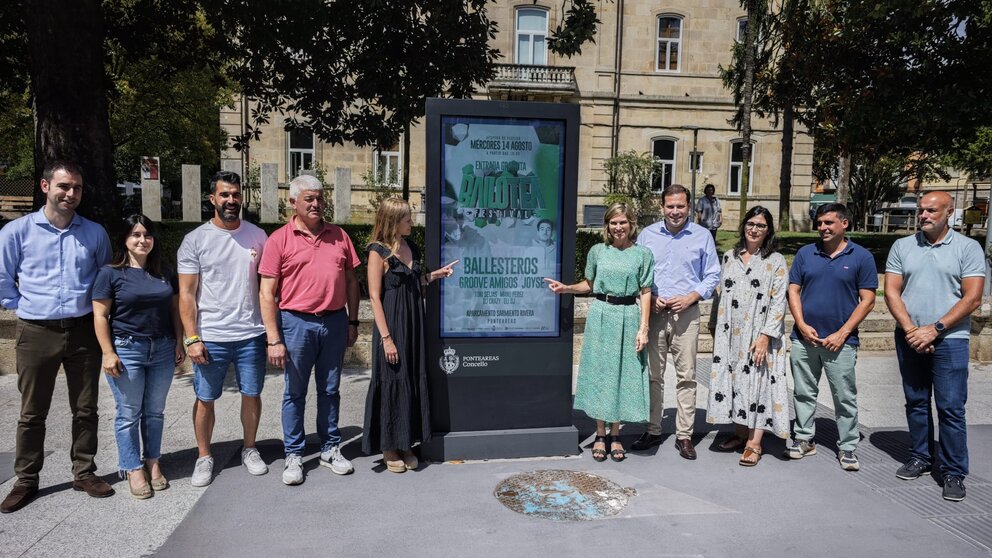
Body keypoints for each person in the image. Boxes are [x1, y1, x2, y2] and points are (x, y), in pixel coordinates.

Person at [0, 161, 113, 513]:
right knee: (32, 412)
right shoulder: (17, 232)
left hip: (82, 331)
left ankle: (84, 471)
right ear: (45, 186)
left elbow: (104, 280)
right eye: (64, 186)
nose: (71, 194)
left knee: (86, 407)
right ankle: (26, 479)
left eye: (77, 188)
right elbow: (3, 279)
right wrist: (27, 308)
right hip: (36, 331)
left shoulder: (94, 233)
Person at [259, 174, 361, 485]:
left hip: (333, 321)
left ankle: (330, 448)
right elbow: (267, 293)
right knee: (295, 392)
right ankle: (294, 453)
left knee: (330, 390)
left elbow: (352, 281)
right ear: (293, 203)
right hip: (296, 323)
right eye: (309, 199)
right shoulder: (279, 240)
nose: (316, 203)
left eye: (319, 198)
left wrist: (353, 320)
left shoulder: (340, 236)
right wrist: (274, 338)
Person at [885, 191, 984, 502]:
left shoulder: (968, 248)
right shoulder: (903, 246)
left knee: (950, 408)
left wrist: (935, 329)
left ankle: (954, 471)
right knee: (915, 401)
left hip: (950, 339)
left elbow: (973, 298)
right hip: (910, 335)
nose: (923, 215)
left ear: (949, 213)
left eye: (931, 210)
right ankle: (920, 457)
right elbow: (891, 292)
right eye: (921, 210)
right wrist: (913, 330)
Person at [177, 170, 270, 487]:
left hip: (251, 333)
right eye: (225, 195)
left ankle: (250, 449)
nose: (231, 200)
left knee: (252, 394)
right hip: (211, 336)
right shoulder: (195, 240)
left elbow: (269, 288)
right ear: (212, 199)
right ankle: (204, 457)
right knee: (205, 398)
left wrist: (272, 333)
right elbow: (187, 294)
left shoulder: (258, 236)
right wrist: (192, 338)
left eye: (236, 194)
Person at [545, 203, 653, 462]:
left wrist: (644, 328)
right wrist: (567, 288)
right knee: (601, 373)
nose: (618, 228)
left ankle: (616, 434)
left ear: (631, 225)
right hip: (602, 314)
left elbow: (646, 291)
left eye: (623, 223)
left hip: (629, 315)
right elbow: (590, 284)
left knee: (622, 374)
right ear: (607, 225)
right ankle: (600, 433)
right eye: (613, 223)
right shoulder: (597, 251)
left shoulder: (643, 254)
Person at [92, 214, 185, 499]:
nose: (142, 240)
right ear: (125, 239)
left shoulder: (164, 271)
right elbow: (100, 314)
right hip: (127, 349)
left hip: (163, 348)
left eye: (146, 235)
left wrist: (180, 342)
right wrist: (108, 353)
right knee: (129, 413)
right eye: (135, 235)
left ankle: (153, 461)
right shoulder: (110, 273)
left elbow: (174, 310)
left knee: (155, 412)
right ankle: (132, 467)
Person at [363, 197, 456, 473]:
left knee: (411, 379)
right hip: (392, 326)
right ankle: (389, 446)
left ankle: (406, 443)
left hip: (414, 323)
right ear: (393, 221)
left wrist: (433, 276)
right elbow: (375, 297)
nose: (411, 223)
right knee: (392, 379)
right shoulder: (377, 252)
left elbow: (415, 283)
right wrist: (386, 338)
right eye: (407, 219)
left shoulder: (410, 246)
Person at [787, 203, 877, 471]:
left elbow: (868, 299)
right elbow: (793, 290)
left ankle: (848, 446)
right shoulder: (806, 253)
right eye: (820, 223)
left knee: (844, 395)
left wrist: (842, 332)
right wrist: (801, 325)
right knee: (803, 392)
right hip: (805, 339)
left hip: (841, 342)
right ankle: (804, 438)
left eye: (829, 223)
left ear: (845, 224)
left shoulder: (861, 256)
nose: (823, 228)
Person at [635, 184, 720, 459]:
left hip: (687, 315)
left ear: (689, 207)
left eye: (680, 206)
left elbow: (712, 275)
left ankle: (684, 435)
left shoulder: (702, 236)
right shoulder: (647, 236)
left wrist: (692, 296)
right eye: (670, 206)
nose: (675, 211)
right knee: (654, 376)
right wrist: (652, 295)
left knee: (687, 377)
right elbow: (637, 273)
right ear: (662, 207)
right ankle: (653, 428)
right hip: (656, 314)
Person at [706, 206, 789, 466]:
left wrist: (766, 335)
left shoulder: (775, 261)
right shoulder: (730, 256)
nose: (754, 229)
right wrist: (714, 325)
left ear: (768, 230)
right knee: (736, 382)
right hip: (731, 333)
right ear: (744, 226)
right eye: (751, 223)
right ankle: (741, 434)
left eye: (761, 225)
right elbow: (721, 294)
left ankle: (755, 443)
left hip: (759, 333)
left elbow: (779, 302)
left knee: (758, 383)